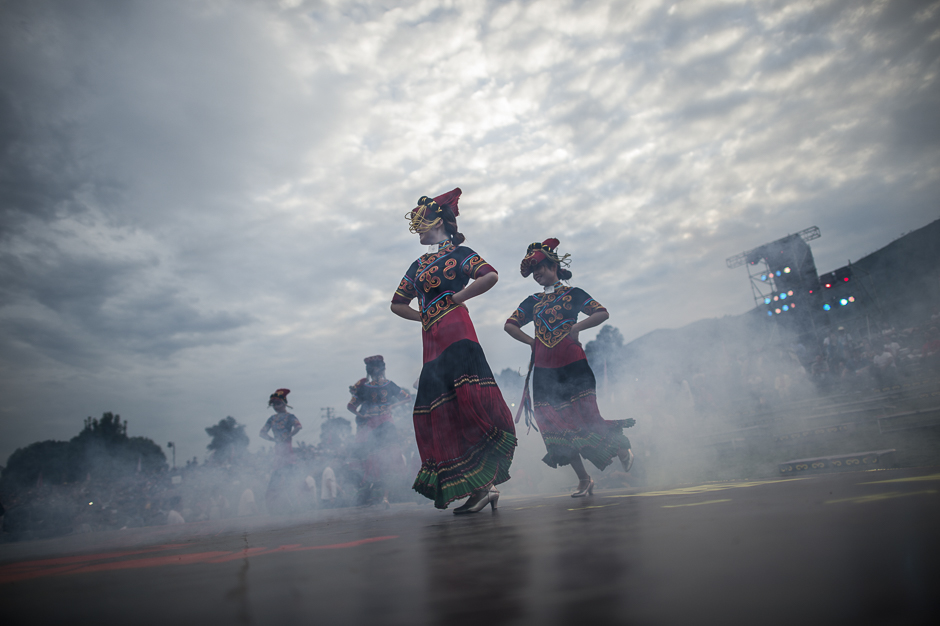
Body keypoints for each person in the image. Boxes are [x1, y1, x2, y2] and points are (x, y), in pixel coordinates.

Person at [390, 188, 516, 513]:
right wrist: (424, 316)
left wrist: (456, 299)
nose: (418, 228)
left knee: (467, 403)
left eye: (423, 222)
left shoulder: (460, 253)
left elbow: (490, 276)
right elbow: (396, 304)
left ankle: (485, 485)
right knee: (440, 412)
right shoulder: (417, 264)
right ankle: (482, 487)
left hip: (458, 333)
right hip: (431, 341)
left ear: (440, 223)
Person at [504, 238, 634, 497]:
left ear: (552, 264)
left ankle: (620, 445)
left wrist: (577, 327)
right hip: (543, 371)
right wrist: (532, 342)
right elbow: (510, 325)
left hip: (574, 366)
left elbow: (601, 313)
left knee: (586, 420)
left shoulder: (574, 294)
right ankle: (584, 479)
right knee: (554, 427)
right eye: (532, 272)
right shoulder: (531, 301)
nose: (536, 274)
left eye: (538, 267)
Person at [347, 355, 412, 508]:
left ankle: (383, 498)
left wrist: (362, 415)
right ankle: (383, 498)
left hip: (377, 427)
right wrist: (391, 407)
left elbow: (351, 406)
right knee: (384, 463)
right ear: (383, 369)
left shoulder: (366, 388)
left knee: (380, 462)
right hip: (382, 425)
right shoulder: (387, 385)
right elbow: (407, 398)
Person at [259, 388, 302, 512]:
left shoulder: (290, 416)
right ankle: (277, 508)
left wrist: (289, 436)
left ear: (284, 403)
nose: (275, 407)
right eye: (273, 404)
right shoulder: (272, 418)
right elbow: (262, 433)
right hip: (278, 451)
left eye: (278, 404)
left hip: (287, 451)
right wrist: (273, 440)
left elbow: (299, 426)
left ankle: (295, 506)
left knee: (289, 480)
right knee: (277, 481)